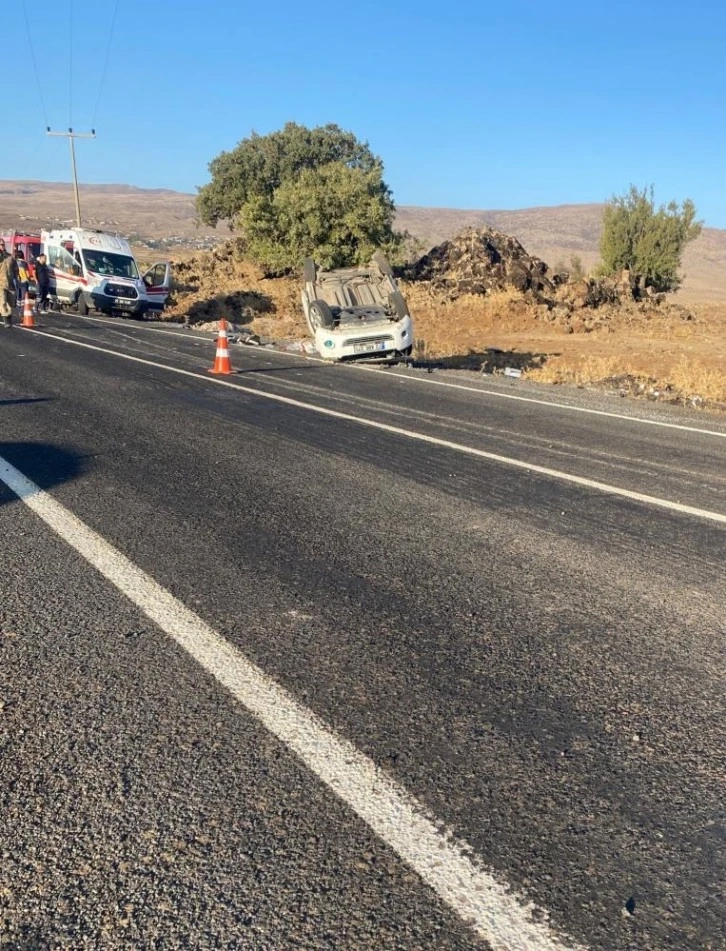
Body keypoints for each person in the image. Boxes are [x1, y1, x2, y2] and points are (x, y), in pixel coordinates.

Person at [0, 239, 18, 327]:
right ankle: (6, 321)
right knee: (3, 301)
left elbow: (15, 268)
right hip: (1, 283)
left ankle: (9, 318)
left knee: (11, 302)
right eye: (0, 244)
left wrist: (17, 277)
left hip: (10, 283)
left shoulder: (9, 257)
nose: (2, 246)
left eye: (3, 244)